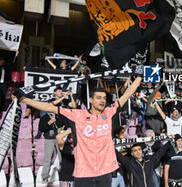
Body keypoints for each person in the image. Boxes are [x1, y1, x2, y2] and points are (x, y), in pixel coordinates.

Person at [14, 76, 142, 187]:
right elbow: (50, 108)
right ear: (90, 100)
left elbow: (126, 95)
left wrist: (140, 77)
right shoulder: (77, 115)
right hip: (84, 173)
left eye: (104, 98)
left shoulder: (109, 113)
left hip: (105, 171)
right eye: (98, 98)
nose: (102, 100)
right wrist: (24, 100)